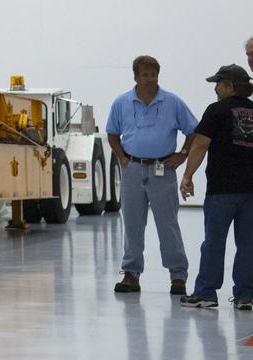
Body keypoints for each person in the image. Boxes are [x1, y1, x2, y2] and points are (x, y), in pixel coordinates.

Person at [105, 55, 198, 295]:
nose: (149, 79)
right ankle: (130, 274)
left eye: (153, 74)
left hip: (162, 169)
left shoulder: (172, 102)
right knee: (132, 224)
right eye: (145, 74)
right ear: (135, 76)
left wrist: (183, 154)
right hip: (132, 169)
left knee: (168, 224)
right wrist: (121, 157)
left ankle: (178, 276)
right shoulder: (121, 103)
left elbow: (193, 130)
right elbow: (112, 133)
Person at [178, 64, 253, 309]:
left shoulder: (216, 110)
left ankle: (206, 293)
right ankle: (245, 296)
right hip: (250, 191)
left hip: (222, 189)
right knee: (248, 244)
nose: (215, 89)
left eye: (218, 84)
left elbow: (200, 144)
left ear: (229, 86)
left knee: (213, 242)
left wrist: (187, 175)